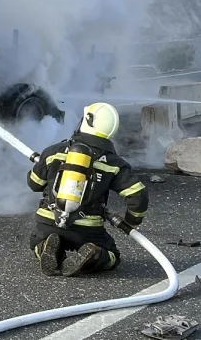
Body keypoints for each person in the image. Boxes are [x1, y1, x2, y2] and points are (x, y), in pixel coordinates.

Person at [26, 102, 149, 277]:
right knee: (113, 256)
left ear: (87, 121)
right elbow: (138, 196)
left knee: (37, 241)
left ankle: (45, 247)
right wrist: (131, 221)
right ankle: (93, 254)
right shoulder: (114, 163)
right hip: (87, 229)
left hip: (49, 222)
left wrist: (47, 167)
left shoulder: (55, 151)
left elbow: (34, 184)